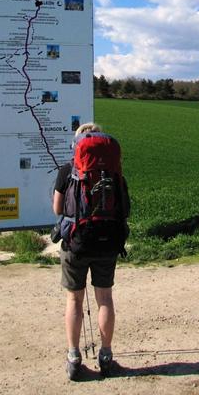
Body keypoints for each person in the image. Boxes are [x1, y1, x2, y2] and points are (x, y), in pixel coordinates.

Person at [53, 122, 122, 380]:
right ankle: (106, 355)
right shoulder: (114, 172)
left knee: (74, 300)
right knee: (105, 298)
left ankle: (73, 357)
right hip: (107, 241)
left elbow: (58, 209)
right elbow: (124, 207)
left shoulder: (67, 171)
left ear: (78, 145)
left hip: (76, 242)